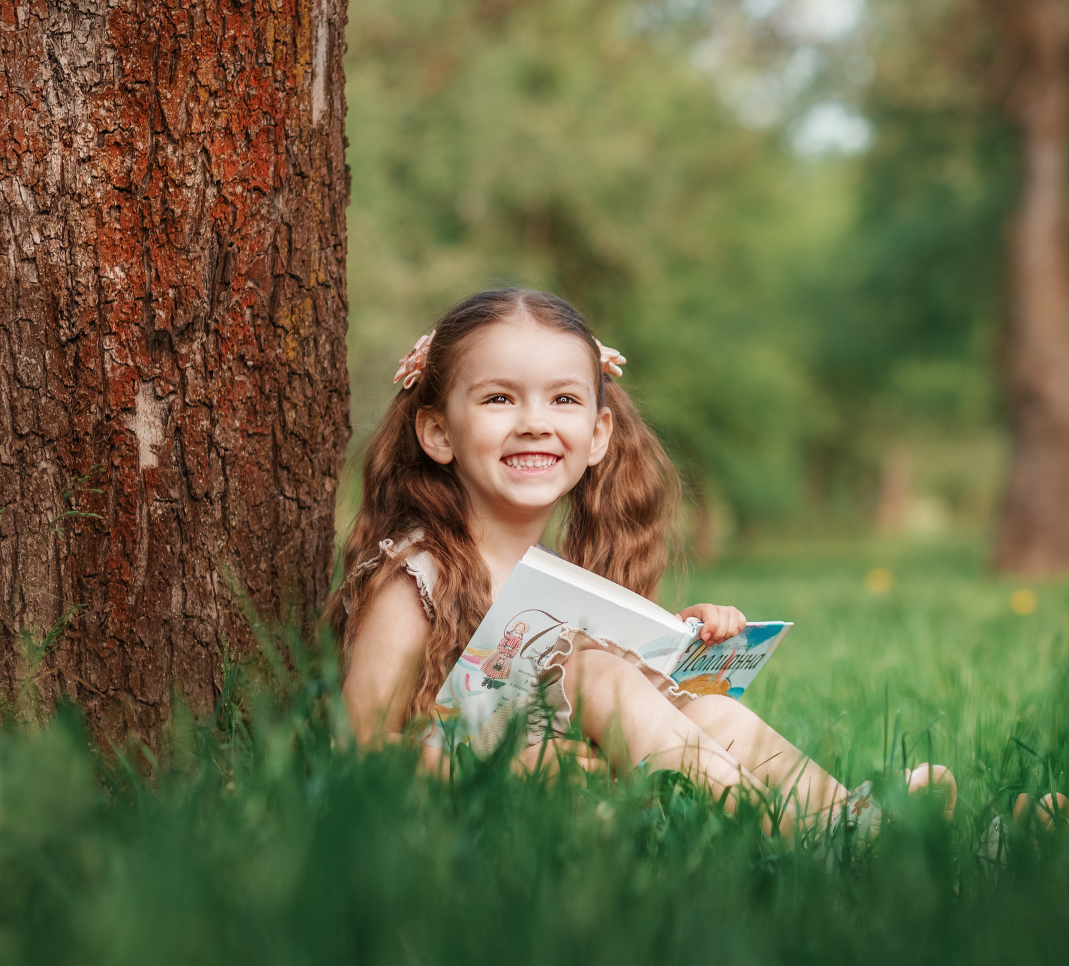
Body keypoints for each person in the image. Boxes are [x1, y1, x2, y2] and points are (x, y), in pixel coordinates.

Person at [325, 288, 954, 838]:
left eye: (564, 400)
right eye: (498, 399)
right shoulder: (414, 576)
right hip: (460, 812)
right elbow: (356, 757)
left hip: (564, 804)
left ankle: (843, 822)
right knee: (595, 672)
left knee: (707, 707)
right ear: (437, 432)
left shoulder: (557, 577)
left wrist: (685, 644)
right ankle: (818, 838)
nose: (535, 423)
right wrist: (522, 762)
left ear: (598, 435)